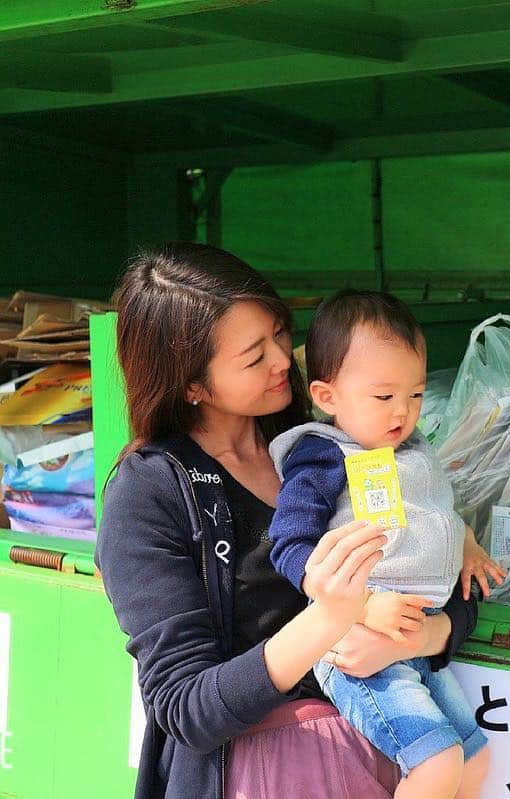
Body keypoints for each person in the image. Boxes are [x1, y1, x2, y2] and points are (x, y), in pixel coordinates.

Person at [95, 243, 480, 799]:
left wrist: (429, 632)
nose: (283, 360)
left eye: (279, 333)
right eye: (254, 357)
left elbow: (427, 572)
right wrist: (331, 617)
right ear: (191, 384)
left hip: (397, 744)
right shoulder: (149, 492)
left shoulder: (331, 445)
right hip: (268, 770)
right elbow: (187, 708)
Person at [268, 291, 507, 799]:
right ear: (327, 396)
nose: (404, 411)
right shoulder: (324, 456)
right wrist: (359, 604)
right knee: (436, 765)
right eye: (384, 397)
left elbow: (432, 516)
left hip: (418, 640)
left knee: (477, 761)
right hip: (357, 648)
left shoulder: (413, 450)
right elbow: (288, 545)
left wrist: (464, 542)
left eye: (416, 394)